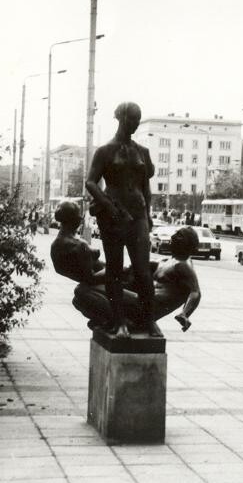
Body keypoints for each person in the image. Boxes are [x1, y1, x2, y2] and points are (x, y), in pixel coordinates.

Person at [85, 102, 155, 339]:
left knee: (143, 271)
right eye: (133, 119)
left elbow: (146, 187)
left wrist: (148, 215)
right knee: (114, 269)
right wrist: (106, 204)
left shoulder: (142, 152)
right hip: (113, 215)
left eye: (138, 119)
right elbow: (91, 182)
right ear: (122, 118)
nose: (136, 124)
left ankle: (148, 320)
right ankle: (119, 322)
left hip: (137, 215)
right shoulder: (105, 151)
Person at [71, 227, 202, 335]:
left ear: (189, 244)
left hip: (144, 306)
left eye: (179, 236)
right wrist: (97, 264)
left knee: (82, 291)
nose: (173, 237)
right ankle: (121, 322)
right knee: (79, 299)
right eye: (175, 233)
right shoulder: (166, 261)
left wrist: (185, 314)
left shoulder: (183, 265)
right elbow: (129, 269)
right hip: (141, 301)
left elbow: (195, 292)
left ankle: (121, 322)